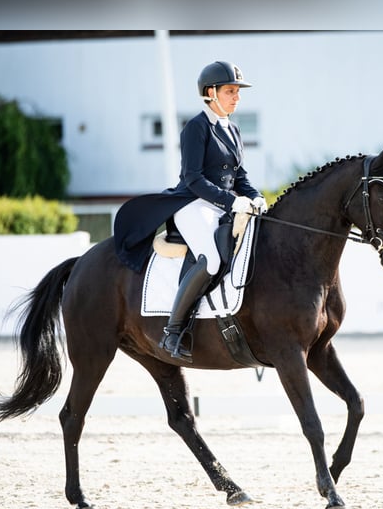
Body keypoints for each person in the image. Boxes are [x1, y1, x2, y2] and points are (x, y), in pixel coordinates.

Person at [113, 61, 267, 361]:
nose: (237, 97)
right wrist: (232, 201)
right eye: (230, 91)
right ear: (211, 92)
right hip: (192, 204)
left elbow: (240, 176)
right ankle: (173, 331)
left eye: (237, 92)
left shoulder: (232, 129)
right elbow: (194, 178)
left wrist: (255, 196)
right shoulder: (196, 128)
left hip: (221, 205)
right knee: (210, 261)